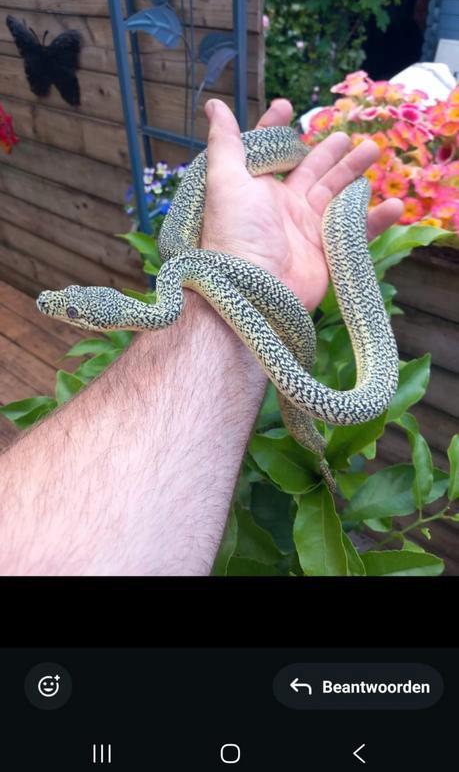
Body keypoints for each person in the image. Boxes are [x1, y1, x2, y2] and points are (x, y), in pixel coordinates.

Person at [0, 99, 403, 576]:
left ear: (103, 322)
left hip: (232, 262)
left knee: (343, 191)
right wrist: (252, 259)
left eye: (72, 310)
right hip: (227, 270)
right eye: (74, 310)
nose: (65, 312)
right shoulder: (180, 270)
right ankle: (312, 443)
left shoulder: (180, 271)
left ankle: (315, 446)